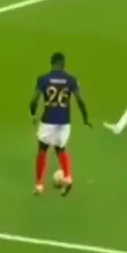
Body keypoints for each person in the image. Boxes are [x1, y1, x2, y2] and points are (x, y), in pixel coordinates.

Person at [30, 52, 92, 196]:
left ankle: (39, 185)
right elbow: (80, 100)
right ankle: (68, 177)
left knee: (42, 149)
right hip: (64, 121)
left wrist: (33, 115)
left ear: (51, 63)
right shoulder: (71, 79)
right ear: (63, 64)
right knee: (61, 148)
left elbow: (34, 100)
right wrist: (85, 118)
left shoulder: (43, 79)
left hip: (48, 120)